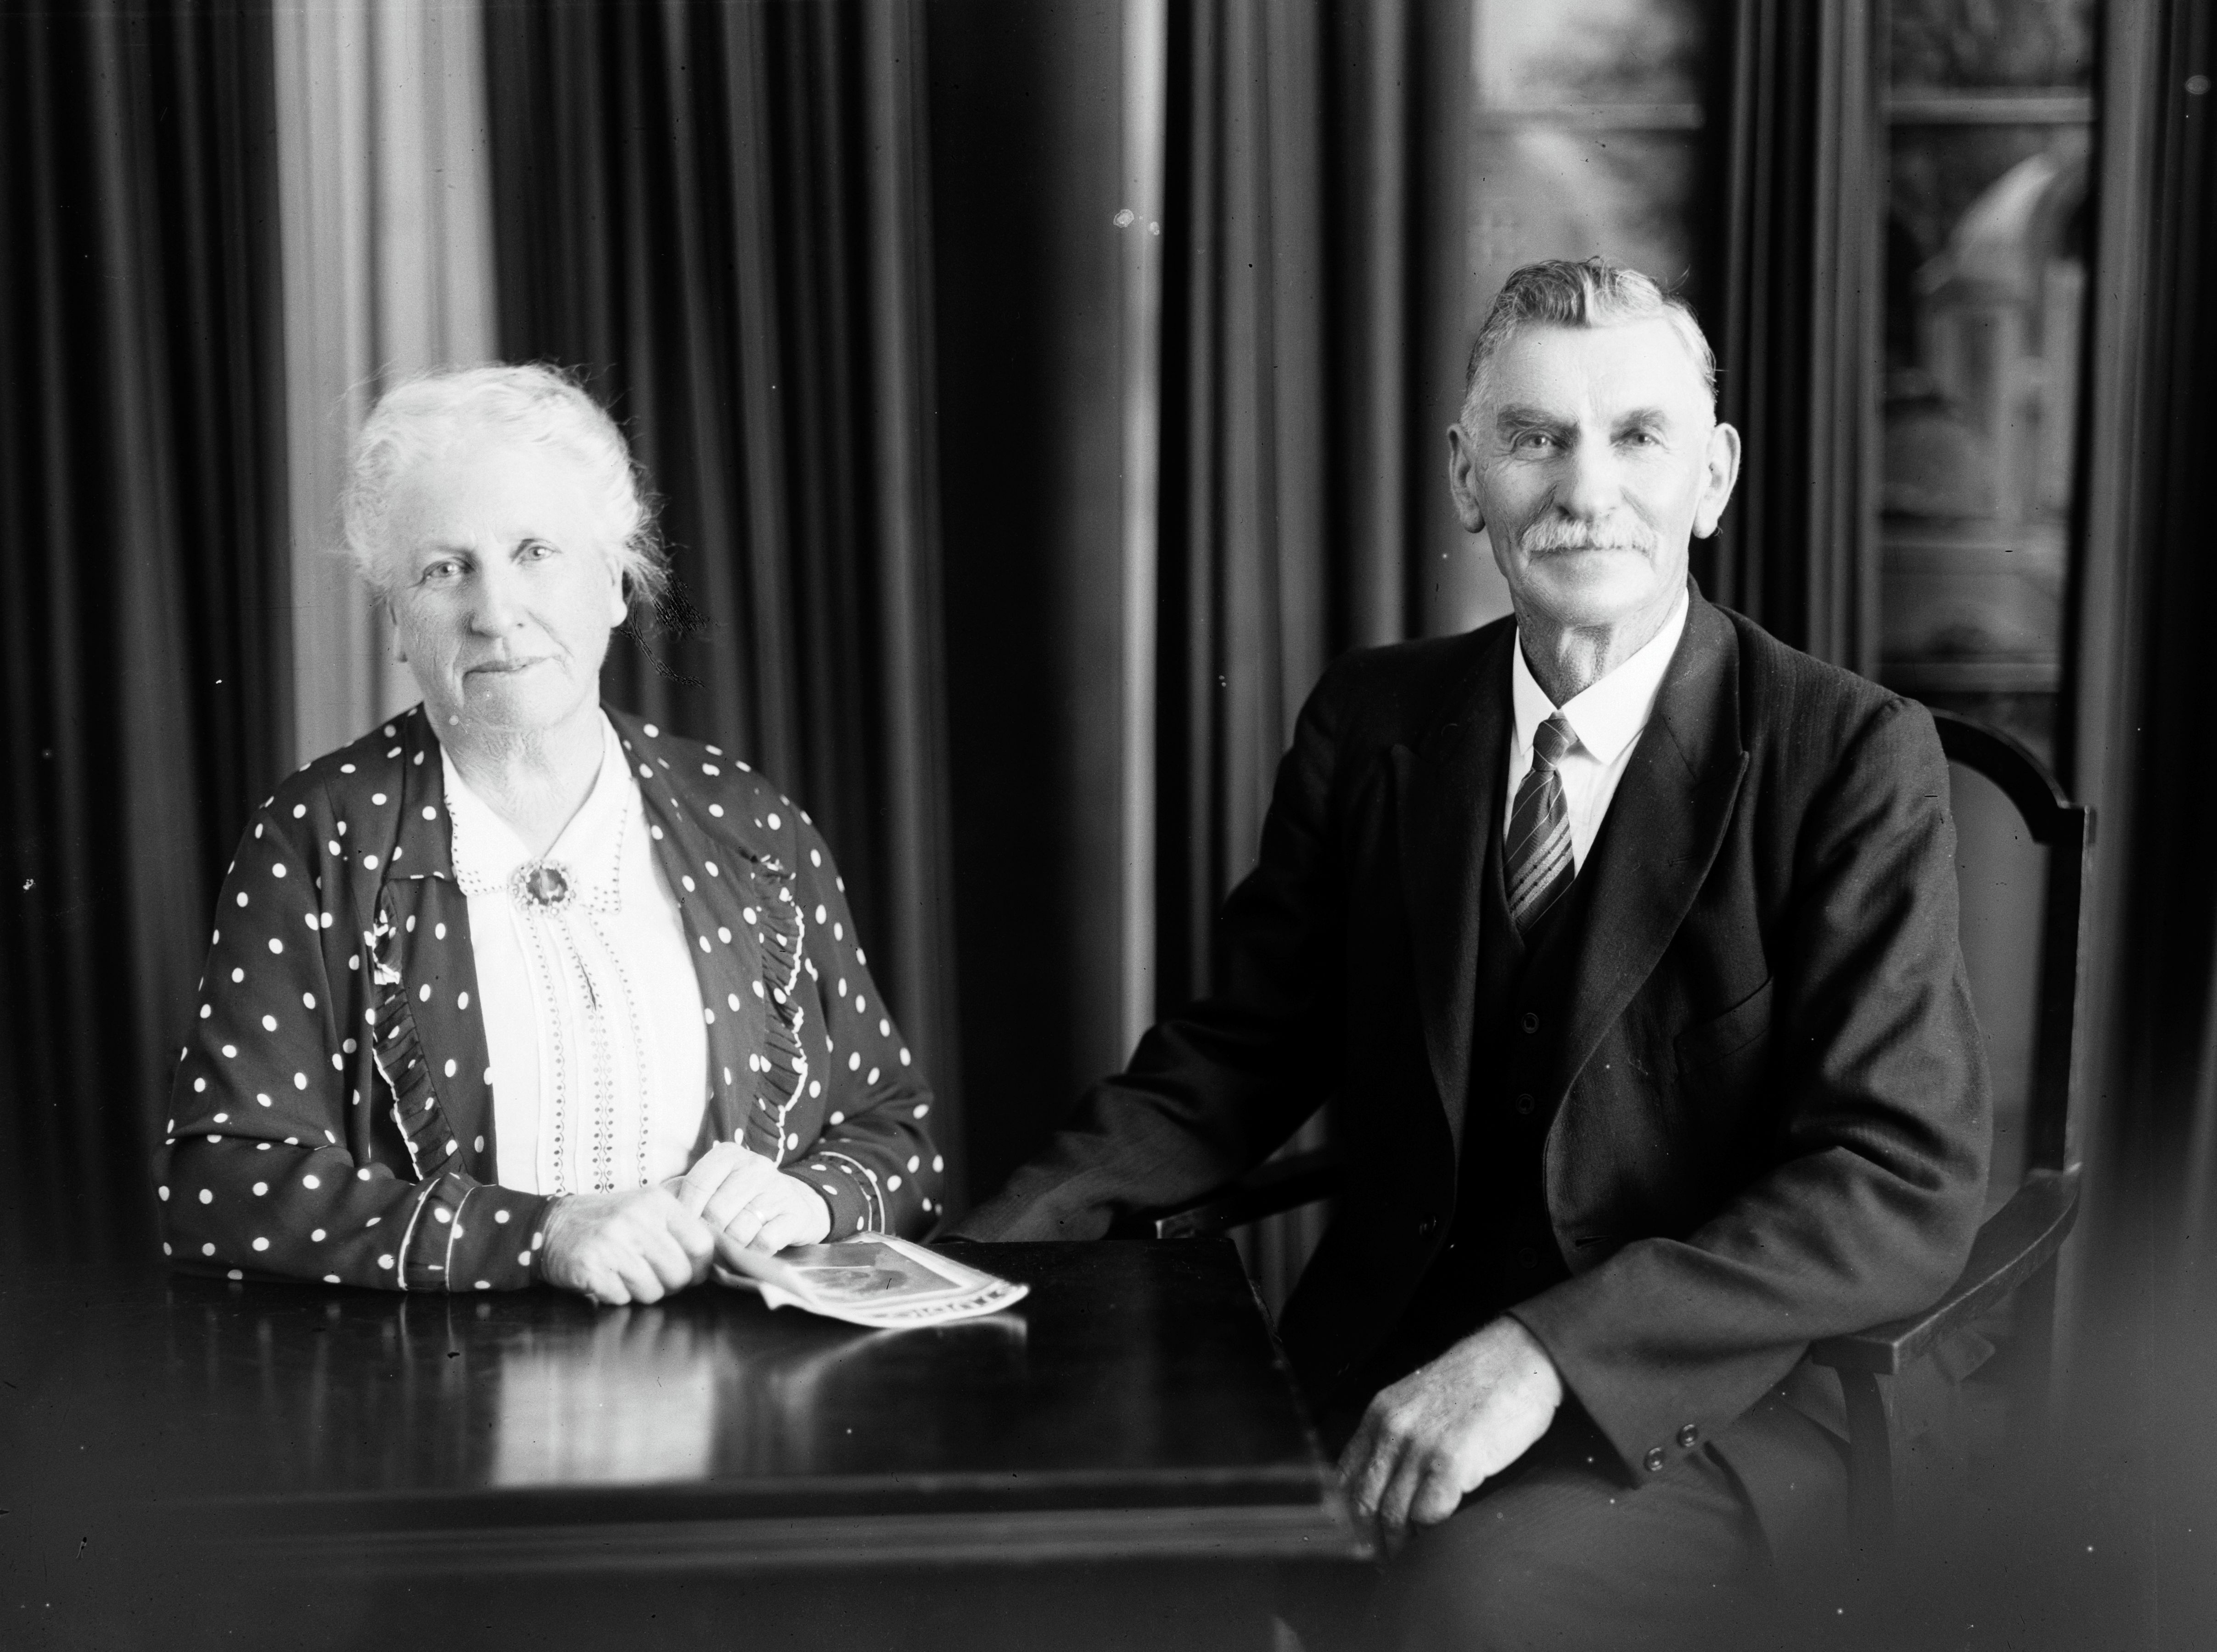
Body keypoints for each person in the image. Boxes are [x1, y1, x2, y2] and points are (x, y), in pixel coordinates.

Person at [953, 259, 1990, 1646]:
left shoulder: (1846, 757)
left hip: (1700, 1406)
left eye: (1635, 437)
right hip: (1382, 1358)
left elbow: (1896, 1175)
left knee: (1466, 1617)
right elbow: (1230, 1063)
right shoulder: (1374, 723)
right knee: (1081, 1564)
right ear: (1463, 474)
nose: (1583, 489)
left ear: (1714, 476)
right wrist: (976, 1262)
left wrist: (1544, 1356)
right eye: (1532, 437)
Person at [159, 364, 941, 1305]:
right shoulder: (318, 838)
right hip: (440, 1416)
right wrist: (538, 1236)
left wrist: (811, 1203)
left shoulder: (747, 824)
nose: (495, 614)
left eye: (535, 552)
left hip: (740, 1407)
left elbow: (894, 1130)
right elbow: (223, 1185)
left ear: (614, 584)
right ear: (401, 624)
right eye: (445, 570)